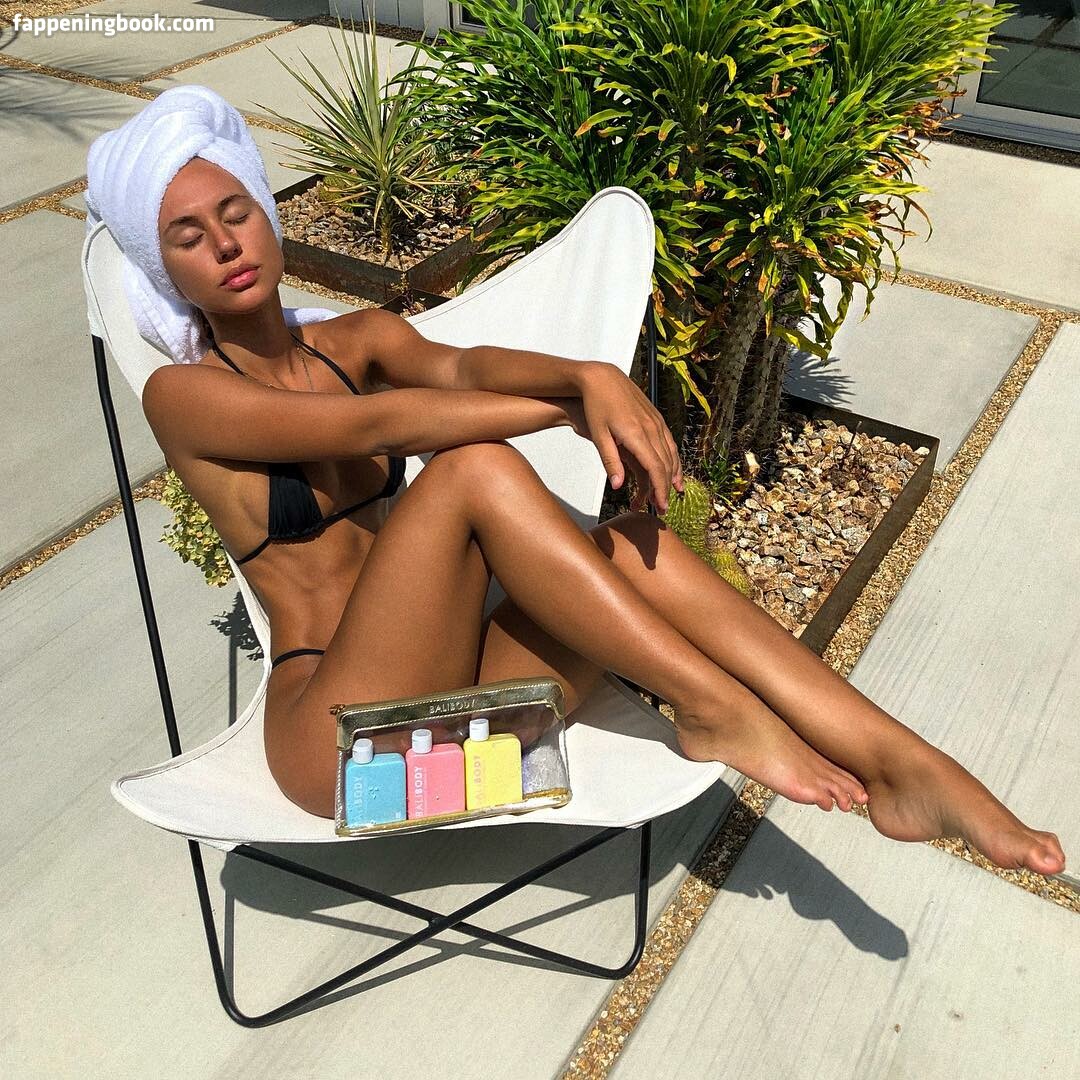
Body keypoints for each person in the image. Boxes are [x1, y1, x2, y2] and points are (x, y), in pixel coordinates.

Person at [93, 93, 1065, 877]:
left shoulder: (356, 341)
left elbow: (462, 370)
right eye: (188, 235)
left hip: (468, 722)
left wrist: (586, 376)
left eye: (236, 212)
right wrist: (561, 411)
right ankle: (712, 707)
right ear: (163, 266)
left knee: (634, 545)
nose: (226, 244)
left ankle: (902, 763)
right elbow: (373, 427)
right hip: (347, 758)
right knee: (473, 470)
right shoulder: (188, 396)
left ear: (264, 213)